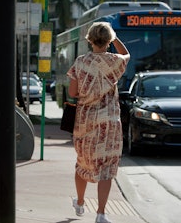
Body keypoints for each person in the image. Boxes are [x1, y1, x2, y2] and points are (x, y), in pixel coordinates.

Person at [67, 22, 130, 223]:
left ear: (90, 39)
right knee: (107, 168)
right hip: (109, 123)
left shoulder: (81, 62)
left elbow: (73, 93)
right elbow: (127, 54)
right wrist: (115, 38)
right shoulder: (114, 61)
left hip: (86, 123)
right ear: (108, 40)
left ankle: (80, 202)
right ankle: (101, 213)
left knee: (82, 163)